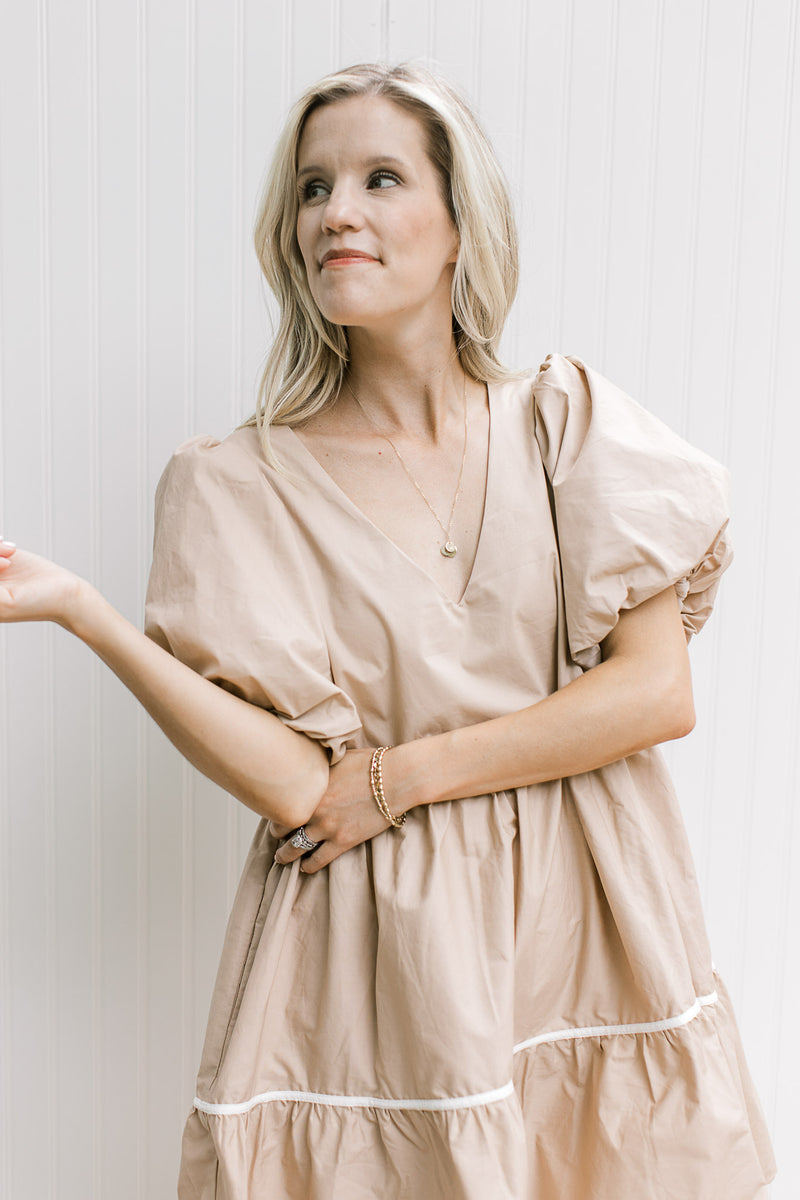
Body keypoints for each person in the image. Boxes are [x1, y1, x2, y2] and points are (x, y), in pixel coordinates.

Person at [0, 61, 776, 1200]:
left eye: (377, 178)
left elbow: (654, 695)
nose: (336, 213)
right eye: (312, 189)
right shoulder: (239, 485)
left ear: (460, 225)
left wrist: (399, 778)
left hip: (583, 933)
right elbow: (292, 788)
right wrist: (88, 616)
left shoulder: (568, 426)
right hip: (380, 965)